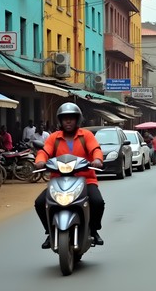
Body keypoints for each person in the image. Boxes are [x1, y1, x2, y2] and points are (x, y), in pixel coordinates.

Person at [34, 102, 105, 248]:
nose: (68, 121)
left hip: (86, 180)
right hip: (59, 180)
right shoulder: (54, 137)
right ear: (60, 120)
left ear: (77, 120)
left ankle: (93, 230)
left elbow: (95, 149)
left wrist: (97, 159)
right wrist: (40, 161)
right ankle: (49, 231)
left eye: (71, 118)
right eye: (65, 118)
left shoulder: (86, 135)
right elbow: (44, 151)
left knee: (97, 202)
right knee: (40, 202)